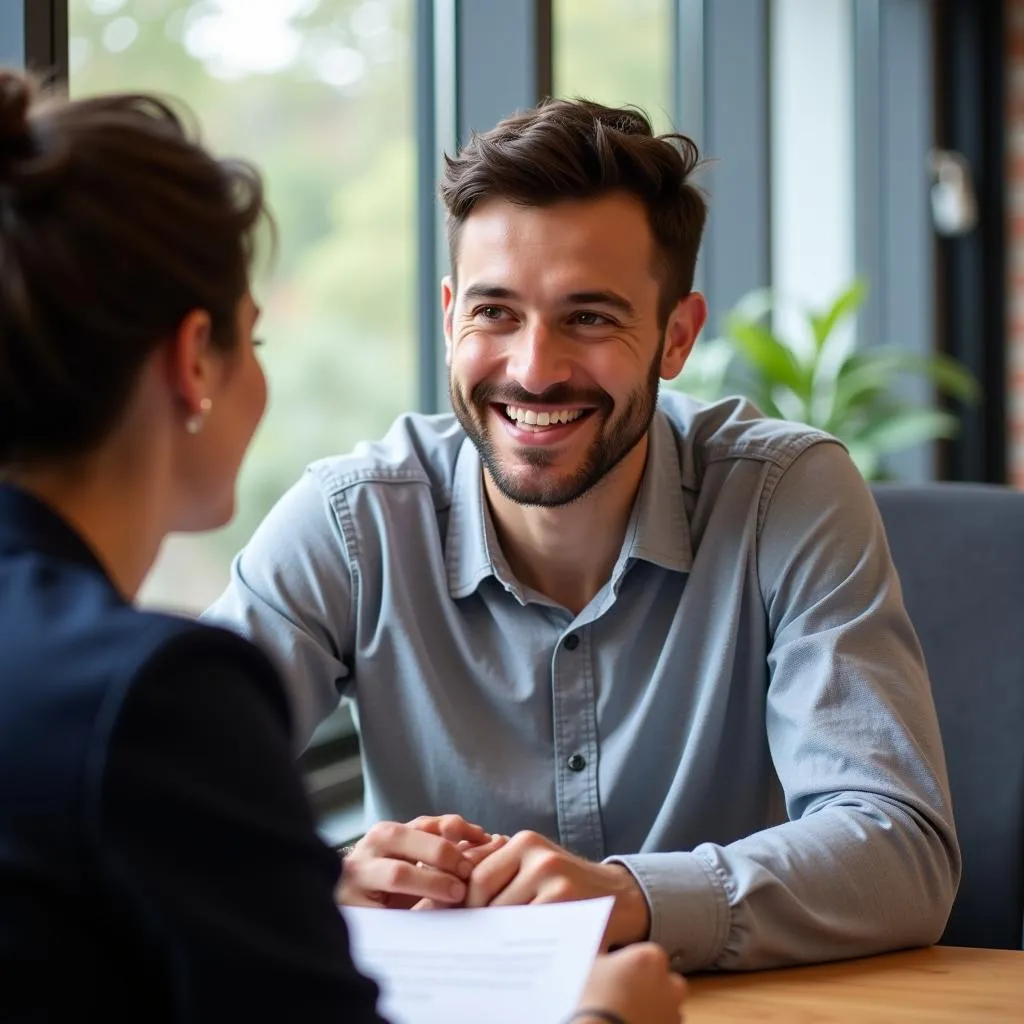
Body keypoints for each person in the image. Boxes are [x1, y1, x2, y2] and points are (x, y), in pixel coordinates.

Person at [205, 97, 961, 973]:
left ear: (676, 336)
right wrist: (321, 879)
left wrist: (631, 898)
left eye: (590, 317)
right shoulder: (353, 520)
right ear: (451, 316)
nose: (534, 369)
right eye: (495, 313)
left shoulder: (784, 496)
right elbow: (150, 794)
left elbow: (900, 849)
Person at [0, 71, 686, 1024]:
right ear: (194, 360)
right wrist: (606, 1019)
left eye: (589, 315)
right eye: (260, 339)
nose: (534, 366)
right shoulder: (152, 698)